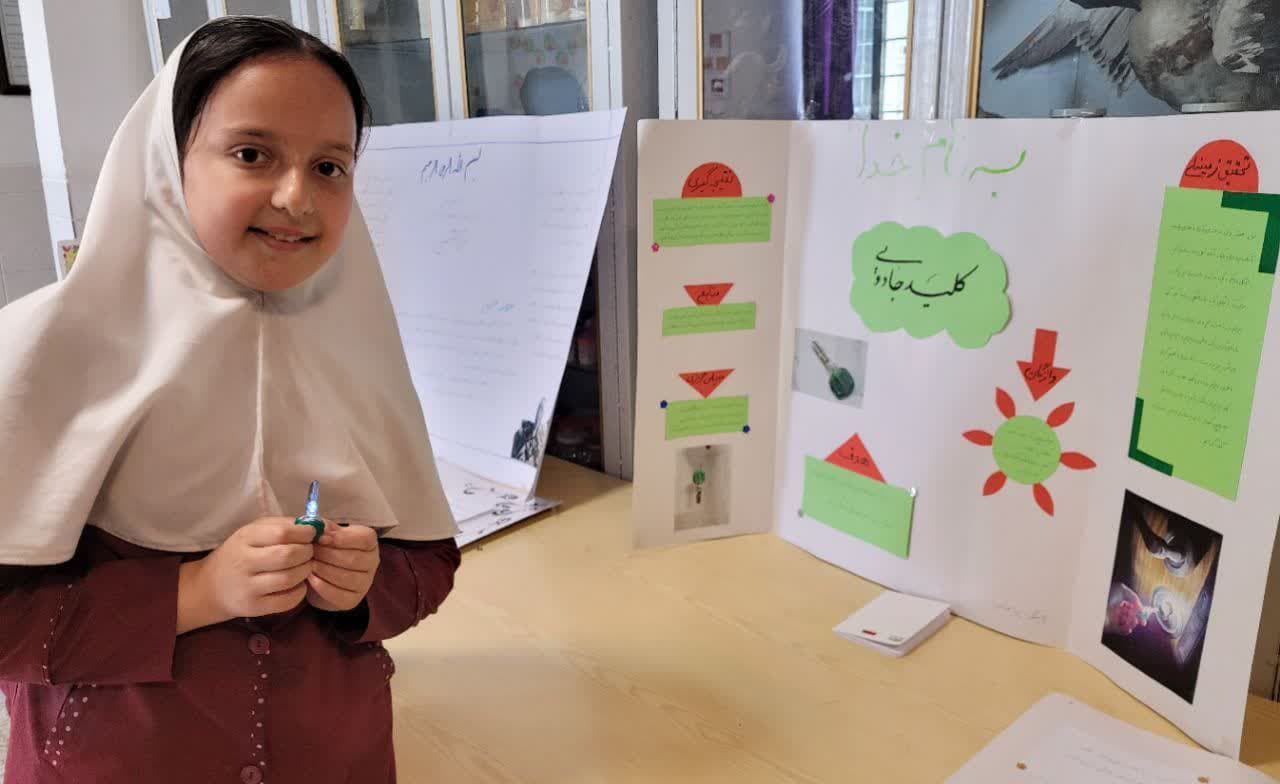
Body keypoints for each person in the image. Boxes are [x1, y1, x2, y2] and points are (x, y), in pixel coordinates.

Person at [0, 16, 460, 783]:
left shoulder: (360, 348)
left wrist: (363, 586)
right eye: (252, 154)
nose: (296, 197)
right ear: (166, 160)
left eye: (330, 166)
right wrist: (194, 591)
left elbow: (430, 560)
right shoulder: (38, 353)